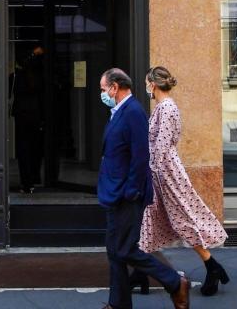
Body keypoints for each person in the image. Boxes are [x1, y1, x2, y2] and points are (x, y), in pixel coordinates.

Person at [98, 68, 190, 309]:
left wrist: (131, 191)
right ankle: (118, 304)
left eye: (102, 88)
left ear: (114, 87)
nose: (102, 93)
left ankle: (174, 282)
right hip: (114, 193)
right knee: (114, 251)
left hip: (127, 195)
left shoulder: (133, 112)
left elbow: (141, 157)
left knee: (125, 249)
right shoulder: (118, 112)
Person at [136, 66, 230, 297]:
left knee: (183, 221)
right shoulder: (162, 107)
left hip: (165, 175)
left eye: (147, 82)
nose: (146, 86)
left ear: (154, 84)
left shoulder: (167, 108)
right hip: (159, 173)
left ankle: (212, 266)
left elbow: (162, 147)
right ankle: (139, 272)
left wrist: (150, 173)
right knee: (150, 220)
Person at [11, 44, 46, 193]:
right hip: (35, 115)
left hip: (22, 115)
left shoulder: (16, 77)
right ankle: (33, 178)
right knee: (34, 148)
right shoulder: (39, 78)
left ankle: (27, 183)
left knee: (24, 150)